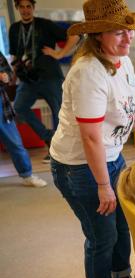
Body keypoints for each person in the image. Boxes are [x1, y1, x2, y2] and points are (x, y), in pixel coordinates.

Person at [49, 0, 135, 278]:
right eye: (119, 32)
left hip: (111, 157)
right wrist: (103, 185)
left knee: (123, 226)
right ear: (98, 35)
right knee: (101, 235)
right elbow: (90, 138)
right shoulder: (88, 72)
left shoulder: (122, 61)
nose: (128, 38)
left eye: (129, 30)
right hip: (80, 167)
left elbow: (129, 106)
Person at [9, 0, 81, 163]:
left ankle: (56, 152)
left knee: (58, 112)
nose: (26, 10)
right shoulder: (14, 29)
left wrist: (60, 54)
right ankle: (49, 137)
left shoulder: (45, 25)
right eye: (22, 7)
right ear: (18, 8)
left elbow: (75, 35)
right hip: (27, 79)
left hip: (50, 77)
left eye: (29, 6)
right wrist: (13, 79)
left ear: (33, 8)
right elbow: (15, 56)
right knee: (19, 108)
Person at [0, 50, 46, 187]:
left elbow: (8, 73)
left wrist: (6, 77)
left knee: (15, 143)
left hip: (1, 105)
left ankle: (27, 175)